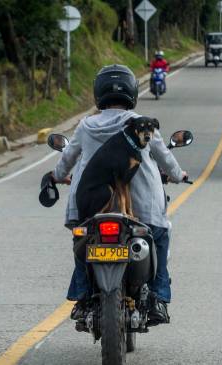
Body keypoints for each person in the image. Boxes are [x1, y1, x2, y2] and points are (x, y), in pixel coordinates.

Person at [52, 64, 186, 325]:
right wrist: (179, 174)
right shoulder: (142, 125)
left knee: (82, 244)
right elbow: (165, 157)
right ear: (132, 93)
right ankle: (158, 298)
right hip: (141, 208)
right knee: (159, 236)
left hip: (91, 206)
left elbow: (67, 158)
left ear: (98, 94)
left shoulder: (86, 125)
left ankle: (81, 296)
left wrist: (58, 176)